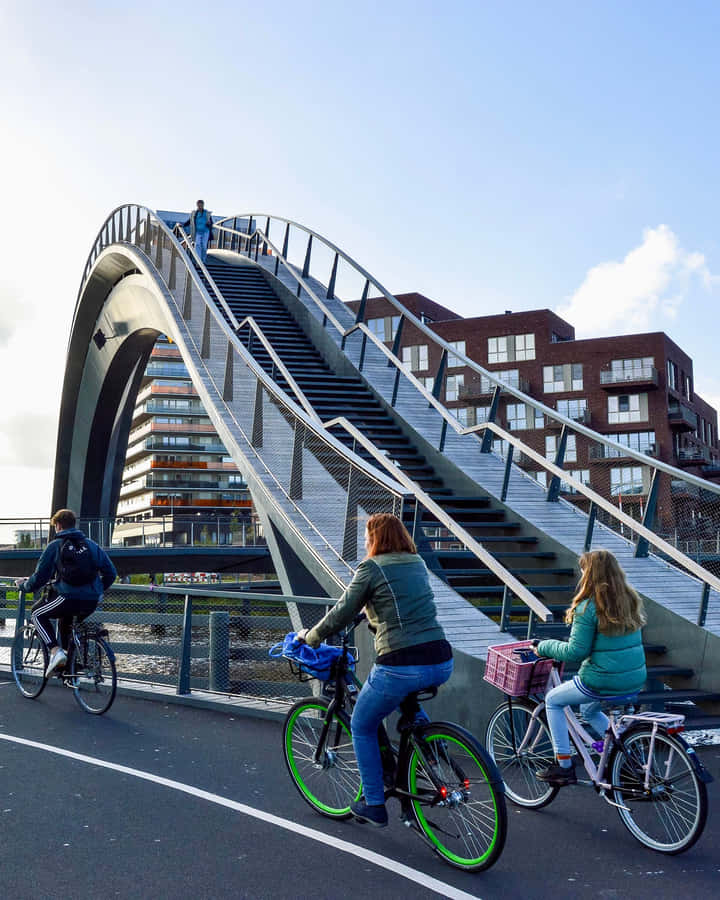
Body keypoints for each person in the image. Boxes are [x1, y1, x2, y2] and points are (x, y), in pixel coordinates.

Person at [296, 513, 453, 827]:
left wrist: (310, 637)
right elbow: (405, 607)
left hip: (401, 663)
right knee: (408, 703)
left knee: (362, 724)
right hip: (440, 658)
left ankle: (374, 803)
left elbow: (341, 612)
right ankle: (432, 751)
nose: (366, 543)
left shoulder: (370, 568)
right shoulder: (417, 563)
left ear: (375, 539)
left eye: (368, 538)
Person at [533, 549, 647, 786]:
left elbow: (576, 652)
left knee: (553, 700)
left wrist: (544, 647)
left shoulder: (588, 607)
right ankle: (617, 754)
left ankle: (563, 765)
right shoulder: (629, 599)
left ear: (589, 574)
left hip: (602, 680)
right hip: (633, 680)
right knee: (588, 711)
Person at [15, 509, 117, 677]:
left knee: (37, 614)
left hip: (68, 597)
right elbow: (111, 573)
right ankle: (69, 671)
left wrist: (24, 586)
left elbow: (40, 577)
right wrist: (96, 591)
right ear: (73, 524)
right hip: (91, 600)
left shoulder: (55, 546)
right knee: (66, 623)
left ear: (58, 525)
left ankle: (56, 651)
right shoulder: (91, 545)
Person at [182, 199, 213, 264]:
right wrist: (183, 225)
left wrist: (209, 223)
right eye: (199, 205)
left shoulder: (206, 213)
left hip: (205, 232)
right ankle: (198, 261)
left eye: (201, 205)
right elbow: (190, 221)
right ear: (197, 205)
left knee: (204, 246)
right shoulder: (195, 213)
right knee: (197, 245)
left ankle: (203, 260)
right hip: (198, 232)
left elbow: (211, 223)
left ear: (203, 205)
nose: (200, 207)